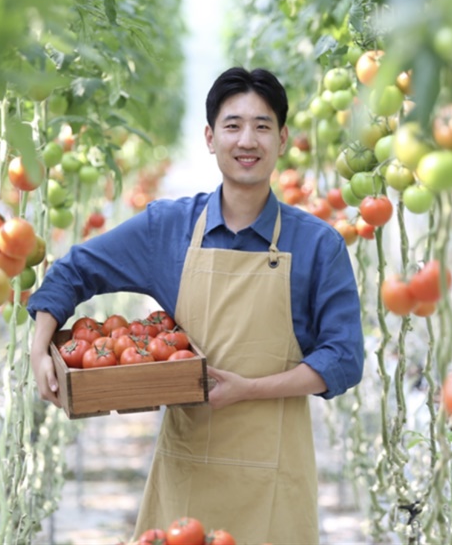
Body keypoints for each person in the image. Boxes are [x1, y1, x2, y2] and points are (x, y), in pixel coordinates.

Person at [28, 66, 364, 544]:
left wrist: (249, 389)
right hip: (188, 473)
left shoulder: (317, 245)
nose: (247, 139)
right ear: (210, 137)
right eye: (233, 125)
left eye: (262, 126)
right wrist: (40, 347)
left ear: (283, 138)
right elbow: (74, 269)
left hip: (275, 477)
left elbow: (344, 359)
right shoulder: (169, 229)